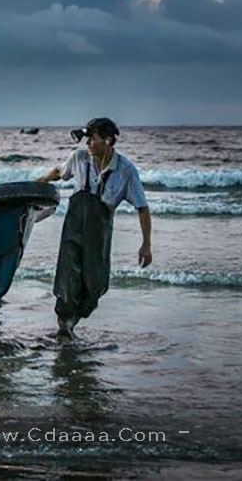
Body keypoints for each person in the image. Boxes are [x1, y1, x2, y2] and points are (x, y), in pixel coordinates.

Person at [37, 118, 152, 339]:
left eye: (92, 138)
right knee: (68, 277)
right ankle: (64, 324)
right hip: (73, 227)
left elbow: (142, 208)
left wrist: (146, 245)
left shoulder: (126, 170)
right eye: (87, 138)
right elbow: (59, 172)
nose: (87, 143)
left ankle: (73, 319)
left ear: (107, 140)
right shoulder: (79, 158)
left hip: (99, 232)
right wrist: (37, 182)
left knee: (96, 283)